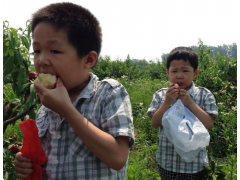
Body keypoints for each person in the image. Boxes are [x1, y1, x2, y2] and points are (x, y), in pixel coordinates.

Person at [13, 2, 134, 179]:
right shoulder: (45, 110)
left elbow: (117, 157)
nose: (42, 60)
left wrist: (67, 111)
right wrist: (26, 163)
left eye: (54, 50)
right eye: (37, 51)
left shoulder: (108, 93)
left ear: (88, 60)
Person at [147, 47, 218, 180]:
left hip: (194, 165)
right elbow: (155, 123)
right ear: (168, 73)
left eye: (185, 70)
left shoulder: (203, 95)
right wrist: (167, 102)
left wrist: (190, 103)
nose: (179, 75)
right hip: (167, 162)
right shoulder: (161, 95)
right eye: (174, 71)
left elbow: (208, 124)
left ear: (195, 73)